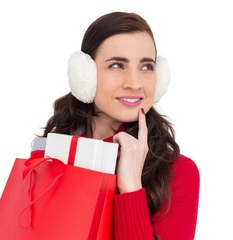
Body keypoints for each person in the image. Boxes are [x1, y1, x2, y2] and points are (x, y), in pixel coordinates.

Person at [31, 11, 200, 240]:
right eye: (117, 65)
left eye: (146, 67)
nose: (134, 83)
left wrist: (131, 187)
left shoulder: (178, 173)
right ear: (85, 75)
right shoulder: (50, 156)